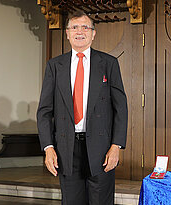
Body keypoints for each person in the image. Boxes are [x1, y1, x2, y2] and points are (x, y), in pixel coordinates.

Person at [37, 11, 127, 205]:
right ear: (67, 34)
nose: (80, 31)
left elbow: (121, 108)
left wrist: (116, 146)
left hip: (102, 149)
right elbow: (44, 111)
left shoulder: (109, 64)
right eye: (74, 27)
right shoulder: (54, 66)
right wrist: (48, 147)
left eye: (85, 27)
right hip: (66, 149)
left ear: (93, 34)